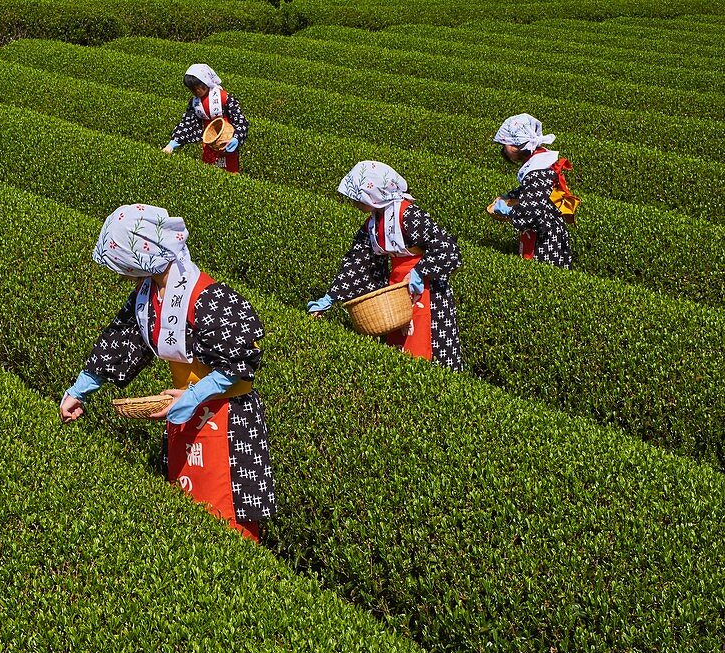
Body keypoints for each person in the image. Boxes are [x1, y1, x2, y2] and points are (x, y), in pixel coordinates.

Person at [60, 204, 274, 541]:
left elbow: (240, 359)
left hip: (228, 419)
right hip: (186, 413)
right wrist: (81, 389)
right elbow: (122, 338)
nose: (120, 272)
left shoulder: (209, 296)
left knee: (228, 521)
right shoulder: (147, 295)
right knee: (189, 515)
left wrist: (195, 395)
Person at [307, 161, 463, 371]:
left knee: (430, 349)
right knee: (400, 350)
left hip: (429, 288)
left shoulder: (409, 215)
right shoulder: (373, 223)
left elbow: (448, 249)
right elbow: (358, 261)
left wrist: (419, 271)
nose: (355, 203)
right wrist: (332, 297)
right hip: (397, 290)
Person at [489, 114, 573, 268]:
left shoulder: (537, 171)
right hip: (547, 228)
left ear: (518, 144)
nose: (504, 149)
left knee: (544, 277)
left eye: (505, 144)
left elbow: (529, 212)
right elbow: (533, 191)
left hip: (546, 237)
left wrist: (508, 210)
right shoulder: (539, 160)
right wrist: (513, 195)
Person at [162, 64, 249, 174]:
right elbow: (187, 123)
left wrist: (237, 138)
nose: (196, 91)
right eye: (193, 89)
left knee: (230, 173)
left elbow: (240, 119)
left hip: (226, 139)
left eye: (198, 87)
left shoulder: (224, 98)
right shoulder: (195, 103)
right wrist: (173, 142)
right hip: (209, 142)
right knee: (209, 171)